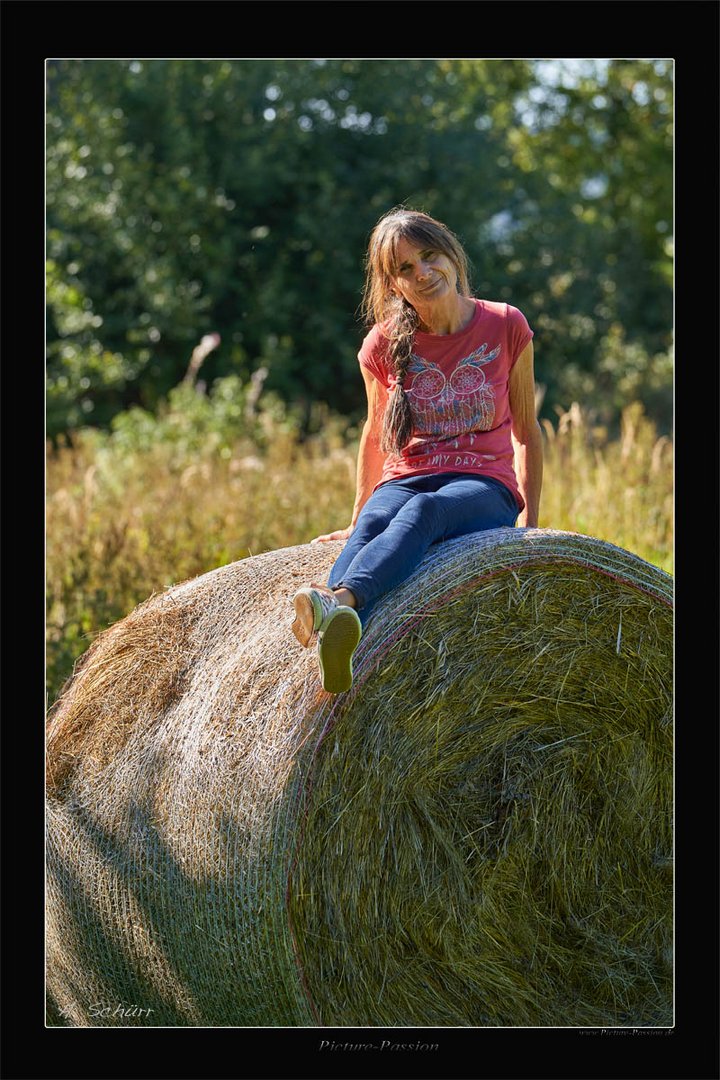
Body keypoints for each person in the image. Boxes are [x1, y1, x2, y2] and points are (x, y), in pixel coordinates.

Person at [291, 207, 543, 694]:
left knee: (424, 512)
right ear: (393, 285)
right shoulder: (382, 344)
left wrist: (531, 525)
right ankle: (336, 624)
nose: (423, 273)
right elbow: (372, 433)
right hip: (406, 473)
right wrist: (356, 512)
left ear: (452, 254)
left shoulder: (506, 325)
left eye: (429, 256)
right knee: (370, 527)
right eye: (405, 269)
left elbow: (528, 430)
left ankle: (339, 600)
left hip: (484, 485)